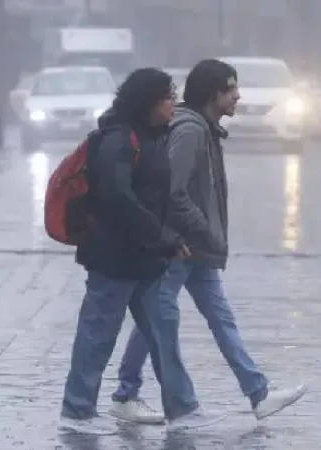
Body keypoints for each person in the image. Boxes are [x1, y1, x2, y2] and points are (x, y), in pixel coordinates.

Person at [107, 59, 307, 425]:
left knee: (217, 317)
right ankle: (130, 393)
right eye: (231, 89)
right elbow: (173, 190)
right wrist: (203, 230)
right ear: (213, 94)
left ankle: (258, 393)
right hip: (181, 245)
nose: (238, 96)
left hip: (195, 248)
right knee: (157, 317)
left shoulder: (205, 128)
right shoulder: (191, 131)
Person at [59, 68, 225, 435]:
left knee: (162, 333)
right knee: (97, 335)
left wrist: (167, 240)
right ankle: (77, 410)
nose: (173, 104)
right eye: (167, 98)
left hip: (147, 258)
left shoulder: (151, 136)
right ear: (148, 102)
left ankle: (183, 408)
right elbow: (120, 200)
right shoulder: (118, 140)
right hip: (114, 258)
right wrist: (162, 236)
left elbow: (155, 197)